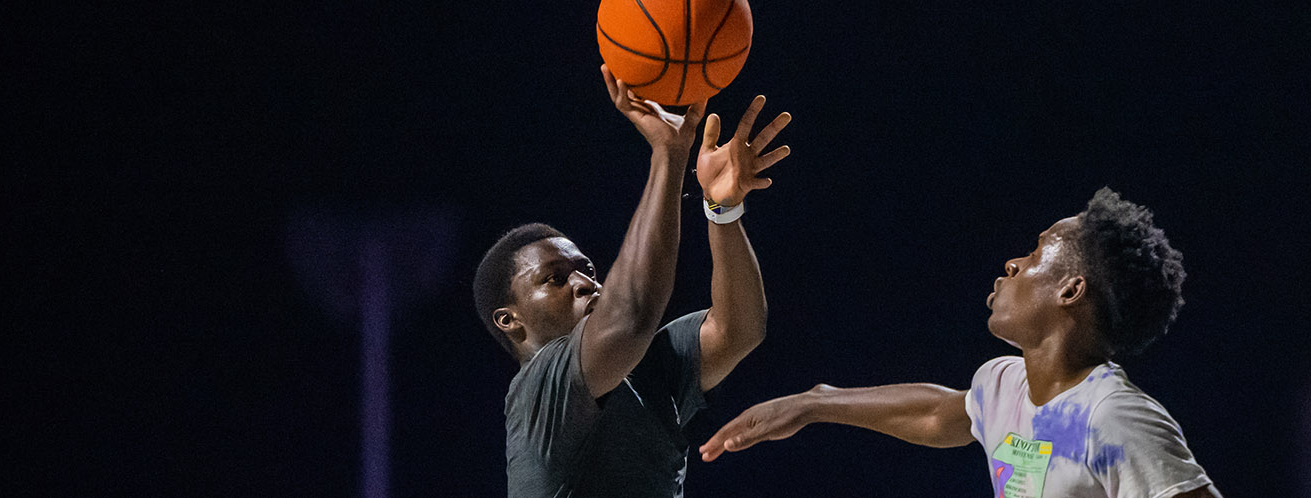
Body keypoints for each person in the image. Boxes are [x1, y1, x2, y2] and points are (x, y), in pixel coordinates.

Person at [698, 188, 1221, 498]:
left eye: (1037, 253)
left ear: (1070, 289)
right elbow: (939, 415)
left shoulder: (1110, 416)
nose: (1014, 264)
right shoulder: (1006, 386)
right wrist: (814, 404)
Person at [470, 65, 792, 498]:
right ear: (510, 320)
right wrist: (670, 154)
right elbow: (632, 316)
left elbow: (739, 330)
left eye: (586, 269)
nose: (584, 282)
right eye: (554, 279)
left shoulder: (648, 367)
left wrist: (722, 210)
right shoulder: (540, 386)